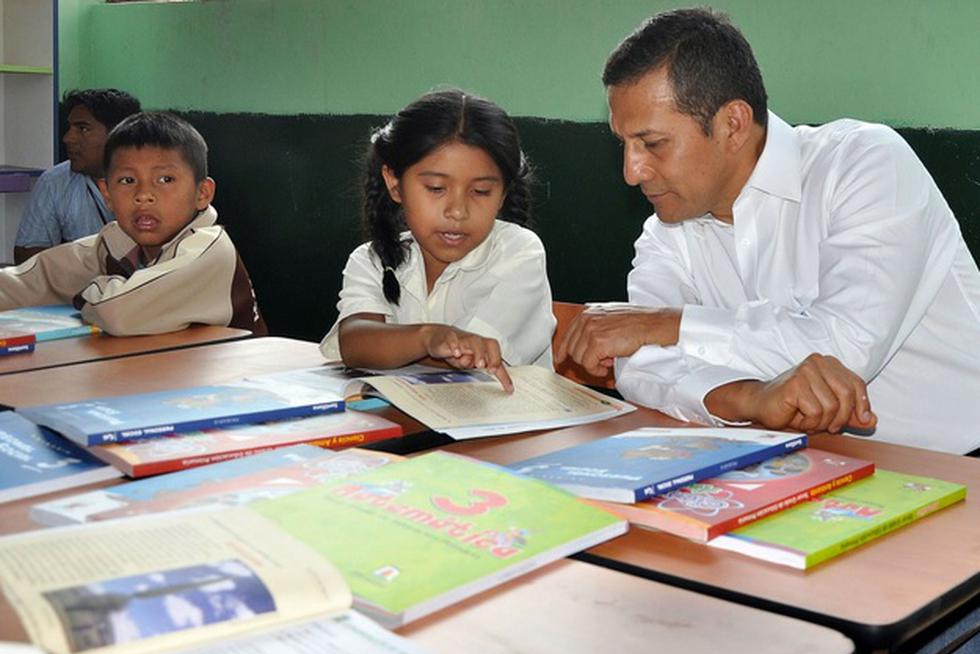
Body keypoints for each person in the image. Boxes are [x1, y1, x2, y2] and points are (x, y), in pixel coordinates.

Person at [557, 8, 980, 455]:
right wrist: (751, 399)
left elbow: (843, 346)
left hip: (960, 464)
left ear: (733, 125)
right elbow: (642, 367)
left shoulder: (864, 165)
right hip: (801, 465)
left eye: (653, 144)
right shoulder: (667, 232)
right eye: (623, 144)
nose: (631, 171)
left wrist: (666, 324)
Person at [319, 89, 555, 392]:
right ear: (394, 183)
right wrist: (428, 337)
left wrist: (409, 345)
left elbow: (471, 358)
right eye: (435, 188)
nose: (457, 211)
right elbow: (355, 342)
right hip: (414, 427)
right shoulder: (372, 259)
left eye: (481, 191)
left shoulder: (519, 253)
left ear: (503, 195)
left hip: (509, 430)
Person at [0, 112, 267, 336]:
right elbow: (32, 283)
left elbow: (118, 314)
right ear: (107, 195)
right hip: (170, 385)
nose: (144, 195)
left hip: (241, 390)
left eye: (165, 180)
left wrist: (92, 289)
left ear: (202, 194)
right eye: (127, 181)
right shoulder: (116, 243)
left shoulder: (209, 249)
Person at [14, 89, 141, 265]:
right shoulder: (55, 181)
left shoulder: (158, 180)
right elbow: (27, 256)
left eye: (83, 129)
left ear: (119, 134)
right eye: (69, 128)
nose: (68, 138)